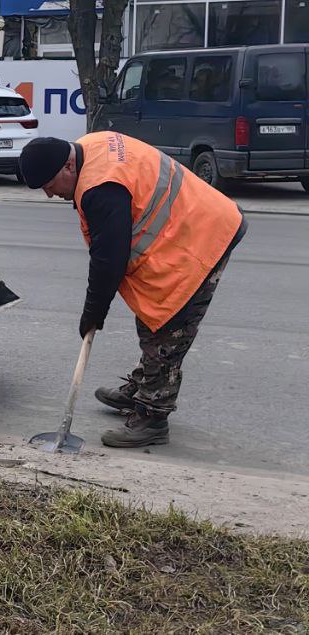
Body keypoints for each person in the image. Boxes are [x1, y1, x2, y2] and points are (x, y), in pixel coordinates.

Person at [18, 132, 245, 448]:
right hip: (187, 226)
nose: (49, 194)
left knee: (168, 329)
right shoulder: (93, 146)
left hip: (201, 239)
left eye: (50, 185)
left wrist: (93, 313)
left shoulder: (100, 189)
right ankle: (143, 387)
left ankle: (153, 416)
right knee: (151, 316)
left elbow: (108, 259)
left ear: (68, 165)